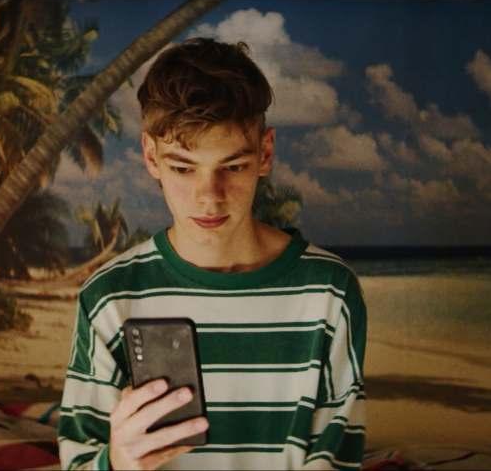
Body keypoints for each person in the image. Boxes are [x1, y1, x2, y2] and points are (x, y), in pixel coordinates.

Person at [58, 37, 367, 470]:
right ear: (151, 156)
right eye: (183, 168)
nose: (209, 197)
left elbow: (336, 457)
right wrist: (120, 461)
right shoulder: (109, 296)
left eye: (233, 166)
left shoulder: (331, 291)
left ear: (265, 153)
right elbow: (79, 460)